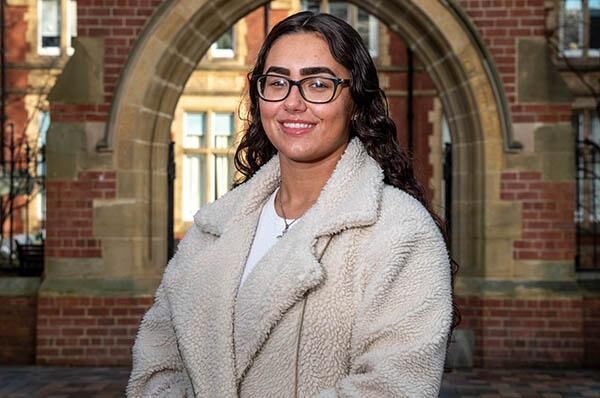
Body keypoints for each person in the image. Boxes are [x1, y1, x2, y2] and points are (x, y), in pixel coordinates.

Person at [127, 11, 456, 398]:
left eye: (318, 84)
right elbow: (156, 365)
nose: (293, 102)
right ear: (259, 95)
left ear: (355, 101)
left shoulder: (401, 232)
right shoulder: (212, 229)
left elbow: (396, 388)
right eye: (278, 82)